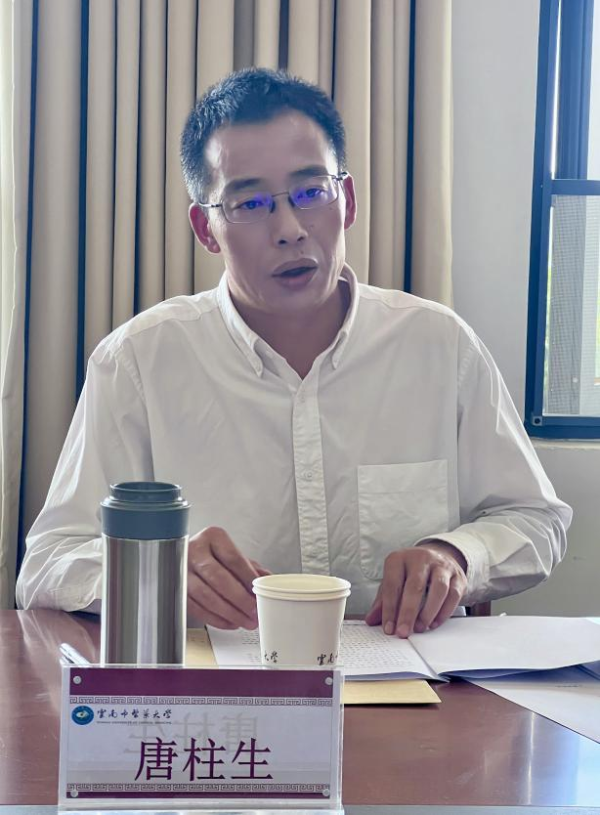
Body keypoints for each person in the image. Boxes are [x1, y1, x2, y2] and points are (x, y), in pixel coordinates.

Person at [16, 68, 571, 638]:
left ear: (346, 200)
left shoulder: (438, 345)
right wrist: (159, 571)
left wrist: (456, 555)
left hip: (408, 679)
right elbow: (48, 564)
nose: (289, 229)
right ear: (206, 229)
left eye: (310, 193)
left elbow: (535, 518)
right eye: (250, 203)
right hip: (219, 687)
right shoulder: (138, 361)